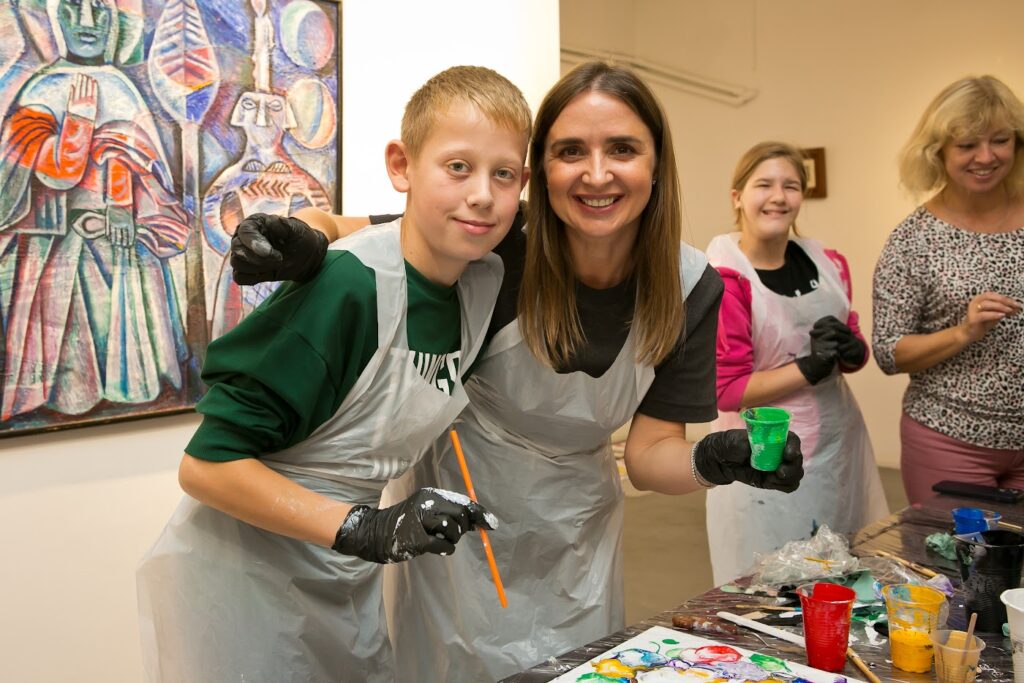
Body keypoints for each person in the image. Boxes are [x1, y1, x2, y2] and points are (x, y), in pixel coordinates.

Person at [231, 61, 805, 682]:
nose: (597, 174)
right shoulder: (494, 241)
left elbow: (647, 455)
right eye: (570, 151)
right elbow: (360, 232)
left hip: (579, 535)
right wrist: (303, 235)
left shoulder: (690, 286)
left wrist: (712, 461)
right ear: (540, 171)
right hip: (457, 527)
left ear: (657, 163)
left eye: (622, 149)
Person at [135, 65, 532, 682]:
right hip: (243, 579)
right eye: (458, 166)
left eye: (503, 174)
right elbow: (206, 467)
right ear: (401, 166)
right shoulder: (348, 287)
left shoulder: (478, 283)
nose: (482, 193)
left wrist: (365, 532)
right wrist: (364, 527)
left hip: (340, 571)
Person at [704, 142, 889, 584]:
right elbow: (727, 391)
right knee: (771, 582)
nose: (779, 197)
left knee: (842, 571)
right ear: (737, 197)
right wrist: (808, 367)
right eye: (764, 185)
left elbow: (853, 346)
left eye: (791, 186)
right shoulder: (726, 277)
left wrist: (851, 350)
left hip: (838, 443)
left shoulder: (828, 263)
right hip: (766, 449)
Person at [0, 0, 189, 420]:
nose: (87, 21)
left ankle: (132, 388)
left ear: (115, 21)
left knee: (127, 331)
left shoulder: (122, 87)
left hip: (122, 238)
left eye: (99, 9)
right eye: (72, 8)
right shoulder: (40, 88)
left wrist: (122, 207)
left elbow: (141, 164)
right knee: (65, 334)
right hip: (56, 242)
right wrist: (79, 122)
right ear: (54, 19)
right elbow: (52, 172)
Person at [873, 75, 1024, 504]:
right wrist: (964, 332)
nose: (986, 156)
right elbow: (888, 352)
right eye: (967, 145)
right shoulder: (913, 240)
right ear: (937, 151)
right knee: (956, 550)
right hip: (950, 442)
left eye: (1000, 140)